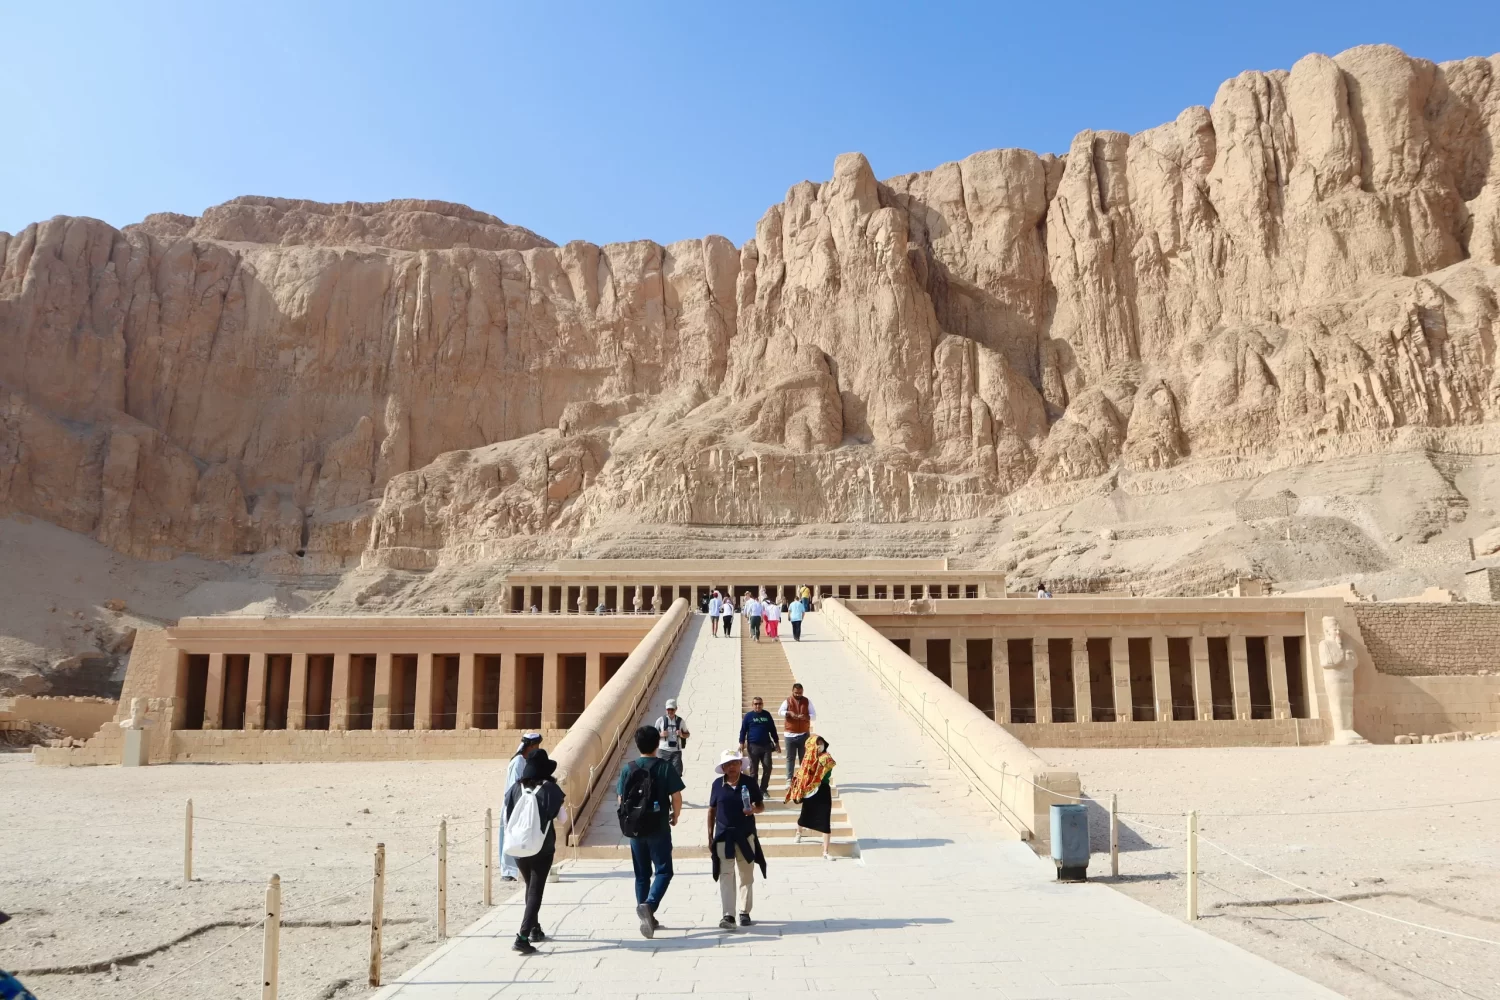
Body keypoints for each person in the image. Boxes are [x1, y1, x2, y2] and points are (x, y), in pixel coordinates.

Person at [617, 725, 685, 939]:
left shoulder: (628, 768)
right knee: (664, 871)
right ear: (658, 743)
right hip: (659, 827)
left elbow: (621, 799)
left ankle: (645, 914)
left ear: (637, 744)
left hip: (636, 828)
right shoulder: (664, 767)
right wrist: (676, 815)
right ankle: (650, 905)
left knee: (642, 875)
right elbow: (676, 797)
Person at [503, 749, 567, 952]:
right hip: (542, 847)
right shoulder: (550, 789)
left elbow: (507, 814)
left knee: (530, 887)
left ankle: (535, 929)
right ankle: (522, 937)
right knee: (535, 891)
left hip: (518, 846)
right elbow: (563, 819)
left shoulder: (515, 788)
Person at [706, 749, 766, 930]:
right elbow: (712, 810)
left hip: (745, 835)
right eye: (728, 764)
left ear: (741, 765)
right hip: (724, 836)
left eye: (735, 763)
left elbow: (761, 805)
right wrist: (710, 836)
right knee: (726, 875)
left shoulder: (749, 783)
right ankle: (728, 915)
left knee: (746, 874)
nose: (731, 767)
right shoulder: (717, 785)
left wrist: (753, 810)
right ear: (723, 767)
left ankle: (744, 911)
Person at [785, 736, 836, 859]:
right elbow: (802, 775)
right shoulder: (807, 759)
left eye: (821, 743)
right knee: (805, 813)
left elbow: (826, 771)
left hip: (823, 789)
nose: (819, 746)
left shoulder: (826, 758)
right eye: (817, 744)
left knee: (825, 818)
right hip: (810, 790)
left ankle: (825, 851)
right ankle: (799, 832)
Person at [501, 733, 543, 880]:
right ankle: (508, 871)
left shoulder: (525, 761)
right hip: (514, 802)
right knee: (510, 835)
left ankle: (518, 868)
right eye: (535, 746)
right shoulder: (518, 761)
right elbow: (515, 786)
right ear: (530, 746)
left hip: (523, 802)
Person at [737, 696, 780, 795]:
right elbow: (743, 731)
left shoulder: (767, 715)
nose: (758, 706)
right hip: (753, 747)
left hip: (766, 746)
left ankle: (763, 789)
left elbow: (773, 730)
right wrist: (741, 743)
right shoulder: (748, 716)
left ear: (762, 704)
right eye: (756, 704)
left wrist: (777, 743)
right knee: (753, 770)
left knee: (768, 767)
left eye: (760, 703)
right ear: (752, 705)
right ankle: (754, 790)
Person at [779, 683, 815, 783]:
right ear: (792, 691)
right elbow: (780, 712)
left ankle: (803, 777)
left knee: (803, 758)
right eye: (796, 693)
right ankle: (789, 779)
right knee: (790, 758)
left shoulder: (806, 701)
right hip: (790, 734)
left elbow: (814, 715)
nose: (798, 695)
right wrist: (788, 713)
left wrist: (806, 717)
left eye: (800, 693)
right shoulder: (788, 701)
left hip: (804, 734)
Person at [655, 698, 690, 776]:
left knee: (677, 776)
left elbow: (687, 734)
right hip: (663, 751)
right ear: (665, 709)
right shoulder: (660, 720)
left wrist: (681, 735)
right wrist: (660, 734)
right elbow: (653, 735)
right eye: (668, 709)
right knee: (662, 775)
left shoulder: (680, 721)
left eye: (672, 709)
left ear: (676, 709)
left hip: (676, 752)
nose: (670, 711)